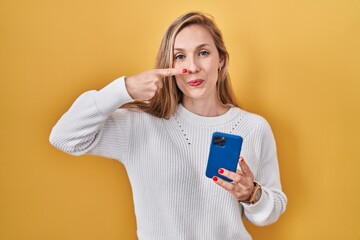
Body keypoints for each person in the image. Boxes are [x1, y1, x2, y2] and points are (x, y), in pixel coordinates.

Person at [49, 11, 287, 240]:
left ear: (221, 60)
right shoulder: (141, 125)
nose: (192, 67)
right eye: (180, 56)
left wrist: (251, 194)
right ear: (169, 64)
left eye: (203, 52)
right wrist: (125, 89)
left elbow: (272, 210)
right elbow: (64, 136)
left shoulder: (254, 127)